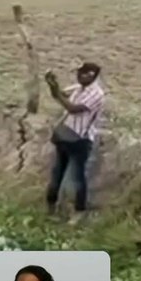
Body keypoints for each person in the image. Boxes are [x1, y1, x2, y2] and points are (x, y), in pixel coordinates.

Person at [45, 62, 105, 224]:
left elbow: (73, 108)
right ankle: (51, 208)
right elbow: (59, 96)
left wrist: (57, 93)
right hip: (66, 135)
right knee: (57, 174)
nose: (78, 76)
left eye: (81, 74)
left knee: (77, 177)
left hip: (80, 139)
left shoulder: (97, 94)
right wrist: (53, 86)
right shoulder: (79, 88)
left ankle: (79, 211)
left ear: (91, 75)